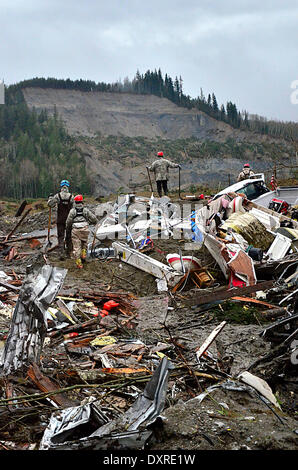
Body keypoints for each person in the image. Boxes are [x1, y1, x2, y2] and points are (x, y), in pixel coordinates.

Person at [65, 194, 98, 269]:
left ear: (75, 202)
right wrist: (95, 222)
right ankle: (84, 253)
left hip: (75, 230)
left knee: (76, 246)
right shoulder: (85, 210)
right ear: (82, 201)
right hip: (85, 229)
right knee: (84, 242)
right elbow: (93, 218)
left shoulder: (72, 211)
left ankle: (79, 263)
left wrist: (67, 228)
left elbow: (68, 221)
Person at [48, 180, 74, 255]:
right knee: (69, 236)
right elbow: (74, 208)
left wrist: (50, 198)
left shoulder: (57, 196)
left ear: (61, 186)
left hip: (60, 219)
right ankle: (69, 253)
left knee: (60, 236)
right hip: (69, 219)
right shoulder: (71, 196)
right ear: (68, 186)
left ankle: (61, 252)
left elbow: (50, 204)